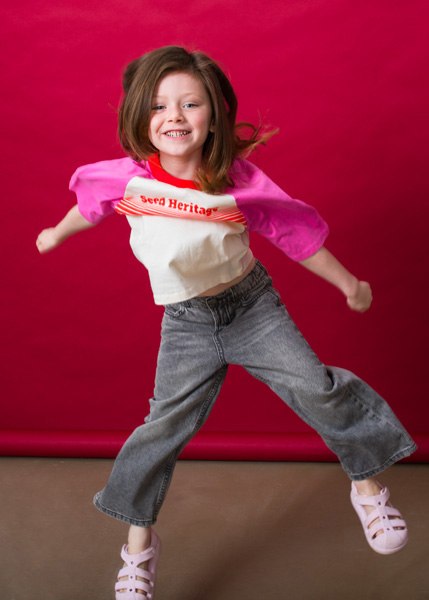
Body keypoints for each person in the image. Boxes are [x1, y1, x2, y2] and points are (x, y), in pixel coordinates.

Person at [37, 46, 416, 598]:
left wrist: (349, 284)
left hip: (251, 309)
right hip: (186, 323)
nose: (174, 116)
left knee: (315, 388)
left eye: (190, 104)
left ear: (213, 117)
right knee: (161, 429)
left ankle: (367, 485)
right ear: (139, 116)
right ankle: (138, 548)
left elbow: (296, 237)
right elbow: (88, 207)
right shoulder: (127, 181)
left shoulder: (235, 182)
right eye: (159, 105)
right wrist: (56, 232)